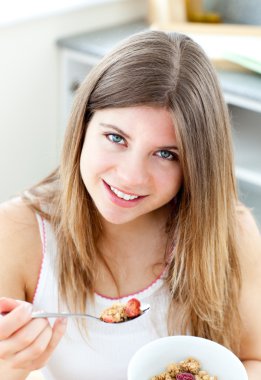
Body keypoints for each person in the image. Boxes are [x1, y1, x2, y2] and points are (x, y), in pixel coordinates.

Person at [0, 30, 260, 380]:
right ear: (83, 126)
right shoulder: (17, 232)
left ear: (197, 166)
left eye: (166, 154)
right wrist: (10, 364)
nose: (131, 176)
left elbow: (253, 359)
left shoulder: (232, 232)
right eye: (116, 138)